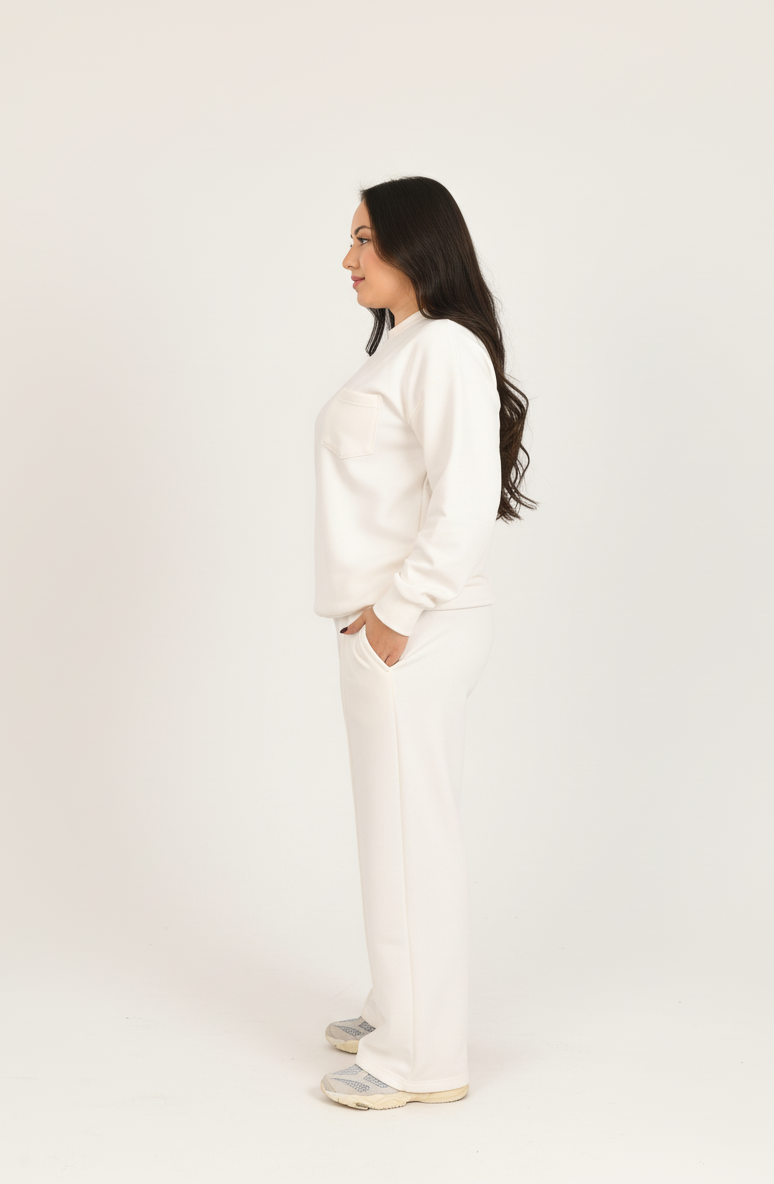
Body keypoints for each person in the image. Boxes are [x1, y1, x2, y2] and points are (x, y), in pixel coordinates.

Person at [313, 176, 537, 1110]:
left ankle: (422, 1058)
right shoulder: (408, 345)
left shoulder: (443, 346)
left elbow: (463, 501)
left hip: (416, 628)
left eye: (365, 238)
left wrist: (396, 615)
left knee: (413, 839)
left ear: (417, 242)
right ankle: (398, 1009)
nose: (348, 258)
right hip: (391, 629)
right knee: (392, 832)